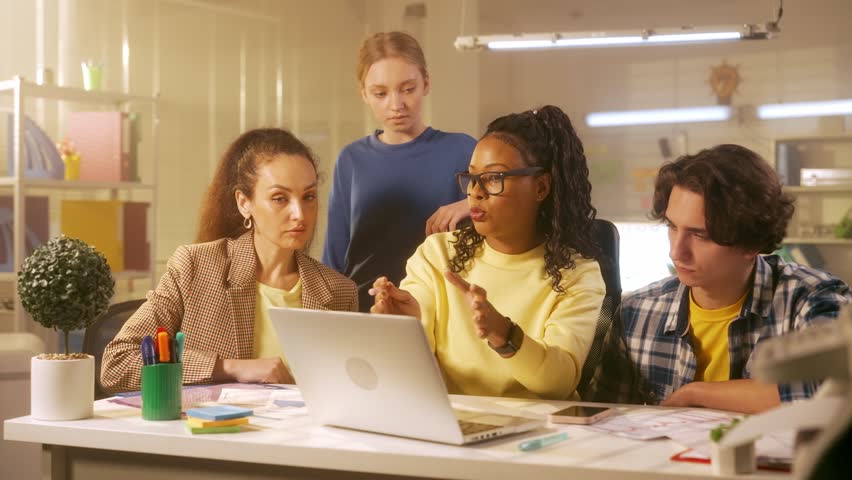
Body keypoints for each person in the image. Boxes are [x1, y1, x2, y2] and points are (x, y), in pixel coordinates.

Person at [369, 105, 605, 400]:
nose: (474, 193)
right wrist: (404, 326)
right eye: (471, 177)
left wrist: (505, 335)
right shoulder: (438, 253)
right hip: (453, 427)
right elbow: (408, 370)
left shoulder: (578, 274)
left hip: (540, 435)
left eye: (494, 178)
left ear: (541, 187)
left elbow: (559, 381)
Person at [101, 128, 358, 393]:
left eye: (309, 197)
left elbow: (352, 392)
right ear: (244, 202)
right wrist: (230, 368)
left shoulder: (339, 292)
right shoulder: (195, 267)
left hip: (302, 434)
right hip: (215, 432)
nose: (299, 214)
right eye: (280, 198)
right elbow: (117, 365)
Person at [615, 144, 851, 413]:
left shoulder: (812, 298)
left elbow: (833, 391)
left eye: (700, 235)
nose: (676, 251)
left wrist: (696, 393)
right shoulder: (636, 312)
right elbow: (601, 421)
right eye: (672, 226)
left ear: (750, 244)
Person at [322, 31, 476, 311]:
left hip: (441, 312)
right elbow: (333, 261)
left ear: (426, 83)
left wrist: (471, 203)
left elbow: (508, 221)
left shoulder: (463, 150)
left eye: (407, 89)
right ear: (364, 94)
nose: (396, 104)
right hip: (363, 310)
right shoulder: (351, 160)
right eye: (380, 93)